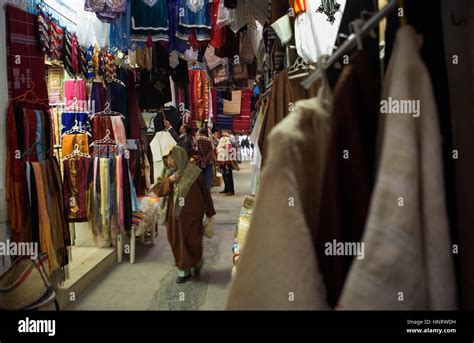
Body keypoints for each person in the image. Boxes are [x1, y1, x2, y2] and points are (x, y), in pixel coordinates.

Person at [152, 146, 216, 283]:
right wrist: (170, 180)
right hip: (174, 217)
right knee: (177, 242)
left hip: (193, 216)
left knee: (193, 241)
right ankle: (184, 271)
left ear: (179, 158)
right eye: (168, 158)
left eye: (172, 158)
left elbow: (205, 193)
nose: (169, 161)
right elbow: (157, 190)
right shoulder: (167, 173)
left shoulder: (195, 173)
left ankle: (197, 261)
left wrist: (210, 213)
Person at [217, 130, 235, 196]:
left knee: (228, 175)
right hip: (222, 161)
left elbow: (230, 150)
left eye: (225, 132)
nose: (223, 133)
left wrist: (228, 159)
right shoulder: (222, 140)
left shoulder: (229, 140)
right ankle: (226, 189)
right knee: (224, 175)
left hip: (226, 161)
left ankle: (230, 190)